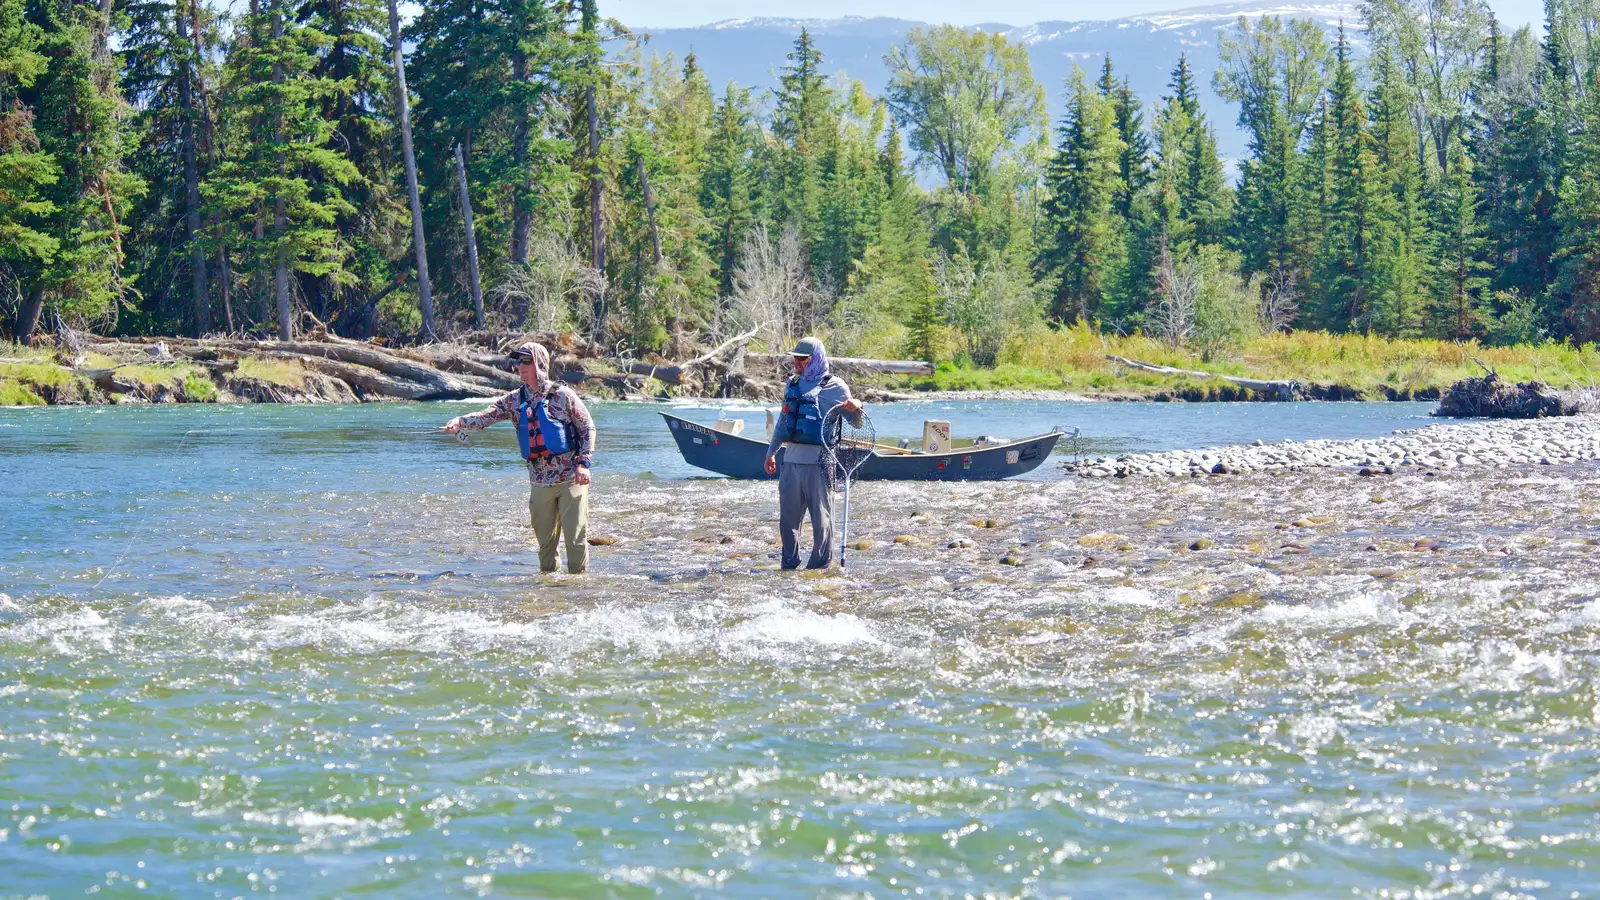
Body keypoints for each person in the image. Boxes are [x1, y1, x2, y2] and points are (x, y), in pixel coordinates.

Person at [444, 342, 597, 574]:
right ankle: (549, 594)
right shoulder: (514, 400)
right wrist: (461, 422)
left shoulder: (563, 395)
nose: (521, 366)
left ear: (540, 364)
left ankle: (577, 593)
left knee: (575, 542)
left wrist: (584, 463)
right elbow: (487, 416)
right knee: (545, 548)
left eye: (527, 361)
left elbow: (588, 428)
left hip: (570, 479)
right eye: (519, 361)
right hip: (539, 482)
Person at [763, 336, 864, 570]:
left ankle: (819, 568)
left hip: (820, 462)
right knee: (788, 522)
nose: (797, 363)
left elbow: (857, 423)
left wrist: (857, 406)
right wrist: (771, 452)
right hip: (790, 461)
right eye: (795, 359)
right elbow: (783, 421)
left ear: (815, 358)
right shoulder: (792, 383)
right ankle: (789, 566)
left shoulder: (836, 386)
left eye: (802, 359)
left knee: (822, 521)